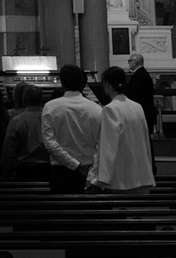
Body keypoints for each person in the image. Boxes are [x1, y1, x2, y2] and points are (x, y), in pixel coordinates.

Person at [92, 66, 156, 194]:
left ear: (106, 83)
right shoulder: (137, 107)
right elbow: (145, 141)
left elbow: (108, 148)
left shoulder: (110, 109)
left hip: (121, 180)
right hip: (141, 175)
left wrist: (101, 180)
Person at [40, 66, 103, 195]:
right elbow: (102, 144)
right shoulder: (96, 109)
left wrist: (74, 165)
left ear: (62, 82)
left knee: (61, 213)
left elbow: (50, 144)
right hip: (89, 171)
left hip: (61, 172)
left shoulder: (50, 107)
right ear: (82, 82)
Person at [1, 85, 49, 182]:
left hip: (25, 169)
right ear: (41, 99)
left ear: (24, 100)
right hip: (48, 167)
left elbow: (9, 150)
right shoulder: (51, 118)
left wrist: (5, 173)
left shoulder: (17, 120)